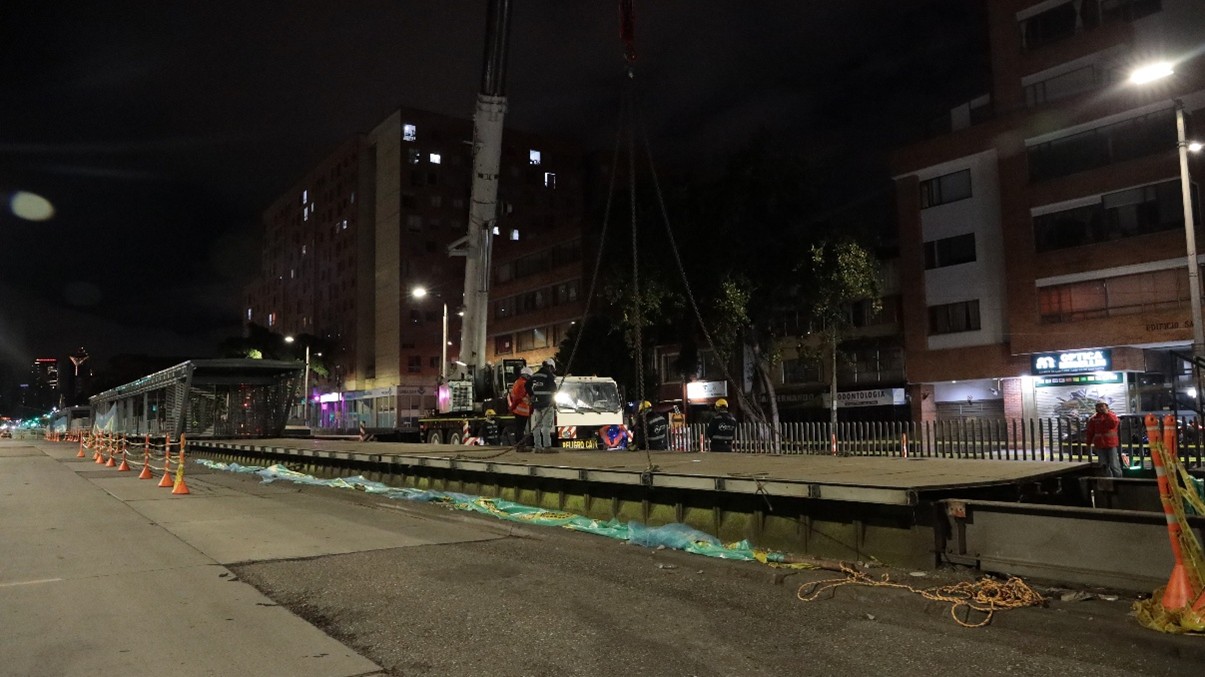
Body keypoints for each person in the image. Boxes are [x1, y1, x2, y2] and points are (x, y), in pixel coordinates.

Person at [526, 358, 558, 452]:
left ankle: (537, 447)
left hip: (537, 404)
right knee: (546, 426)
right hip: (547, 404)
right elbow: (554, 388)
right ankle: (547, 447)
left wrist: (532, 395)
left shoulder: (535, 375)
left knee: (537, 426)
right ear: (550, 366)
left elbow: (527, 385)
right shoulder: (548, 375)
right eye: (552, 368)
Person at [1085, 401, 1123, 477]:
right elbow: (1090, 431)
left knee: (1114, 465)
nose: (1101, 408)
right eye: (1098, 406)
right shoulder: (1094, 419)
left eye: (1102, 406)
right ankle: (1108, 482)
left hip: (1111, 444)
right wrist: (1088, 443)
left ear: (1106, 407)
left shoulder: (1112, 415)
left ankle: (1119, 481)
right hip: (1100, 445)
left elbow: (1114, 423)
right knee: (1103, 465)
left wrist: (1107, 413)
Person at [508, 367, 533, 448]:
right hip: (522, 410)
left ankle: (519, 444)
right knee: (520, 429)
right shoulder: (523, 384)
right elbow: (519, 397)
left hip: (518, 410)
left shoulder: (517, 382)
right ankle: (520, 444)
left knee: (519, 428)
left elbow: (513, 397)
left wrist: (512, 408)